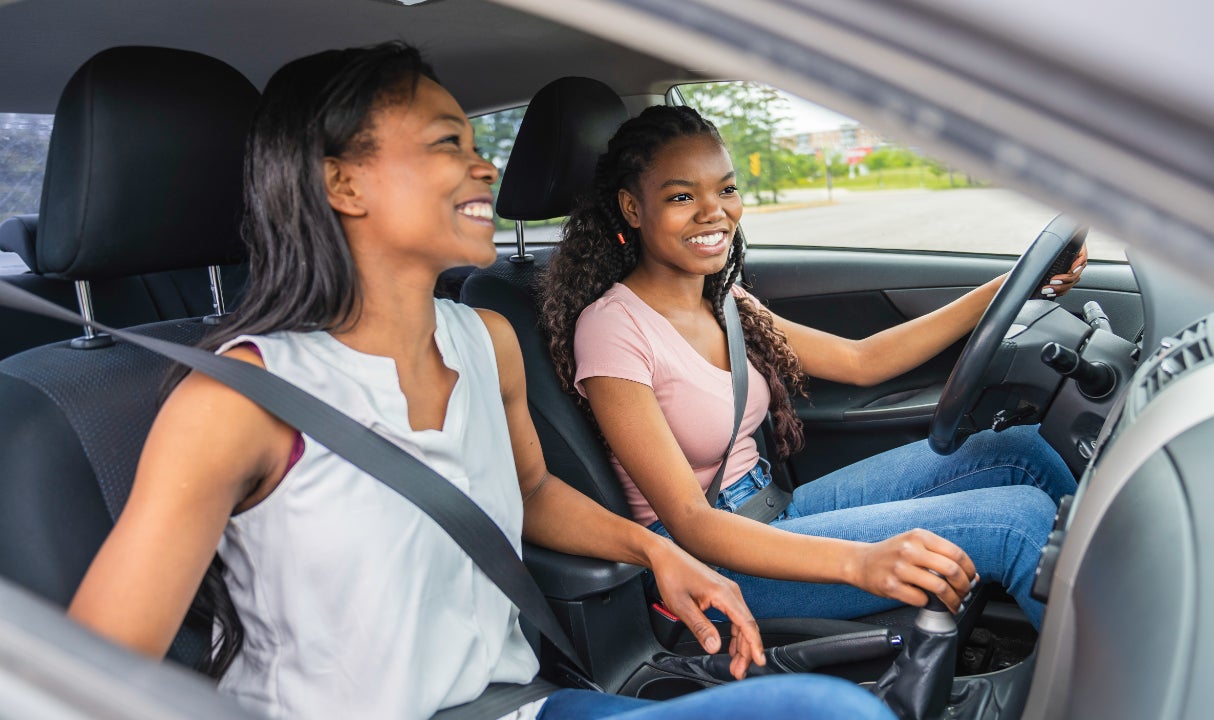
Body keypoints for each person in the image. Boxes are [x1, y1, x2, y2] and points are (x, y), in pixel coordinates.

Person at [65, 45, 896, 720]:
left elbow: (527, 489)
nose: (483, 169)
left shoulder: (485, 337)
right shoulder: (238, 400)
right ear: (341, 183)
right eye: (445, 145)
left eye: (473, 143)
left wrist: (656, 549)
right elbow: (84, 683)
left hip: (517, 704)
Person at [541, 105, 1082, 630]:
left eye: (726, 189)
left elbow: (862, 360)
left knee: (1018, 450)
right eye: (682, 196)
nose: (714, 212)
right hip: (711, 564)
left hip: (773, 508)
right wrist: (860, 562)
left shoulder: (724, 297)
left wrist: (1011, 286)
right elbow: (692, 522)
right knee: (1015, 521)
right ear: (633, 209)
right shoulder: (612, 327)